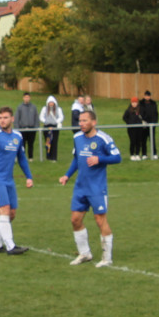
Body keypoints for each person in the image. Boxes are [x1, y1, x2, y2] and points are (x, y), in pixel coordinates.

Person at [58, 109, 122, 267]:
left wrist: (99, 159)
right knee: (75, 220)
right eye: (80, 121)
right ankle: (85, 253)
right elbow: (76, 159)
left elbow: (117, 157)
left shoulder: (103, 139)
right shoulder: (77, 138)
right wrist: (67, 175)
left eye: (85, 121)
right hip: (80, 187)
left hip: (97, 187)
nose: (81, 124)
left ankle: (107, 258)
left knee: (100, 220)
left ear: (94, 122)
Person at [0, 107, 34, 255]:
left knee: (12, 213)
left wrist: (29, 176)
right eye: (0, 118)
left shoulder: (18, 136)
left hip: (9, 179)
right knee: (4, 209)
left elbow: (21, 158)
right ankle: (10, 246)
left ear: (12, 119)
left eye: (5, 117)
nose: (2, 120)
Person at [15, 93, 39, 159]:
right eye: (25, 97)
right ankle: (22, 157)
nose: (26, 98)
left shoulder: (33, 107)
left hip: (31, 129)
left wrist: (36, 128)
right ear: (23, 98)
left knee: (31, 144)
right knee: (23, 144)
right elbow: (16, 118)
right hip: (22, 129)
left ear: (30, 98)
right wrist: (17, 129)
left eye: (28, 97)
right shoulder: (20, 107)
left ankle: (30, 157)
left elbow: (36, 118)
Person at [40, 96, 64, 161]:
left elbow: (61, 117)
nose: (51, 104)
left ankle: (54, 157)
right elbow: (41, 117)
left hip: (55, 127)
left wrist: (56, 122)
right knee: (48, 141)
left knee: (54, 141)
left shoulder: (58, 109)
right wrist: (46, 121)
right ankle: (48, 157)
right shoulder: (44, 109)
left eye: (52, 102)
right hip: (47, 126)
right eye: (50, 102)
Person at [139, 90, 159, 159]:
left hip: (152, 124)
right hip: (144, 125)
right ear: (144, 96)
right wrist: (142, 121)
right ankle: (144, 154)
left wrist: (155, 122)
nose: (147, 97)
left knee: (152, 140)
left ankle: (154, 154)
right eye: (146, 96)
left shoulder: (153, 103)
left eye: (148, 96)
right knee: (143, 140)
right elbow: (139, 114)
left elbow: (156, 114)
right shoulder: (141, 103)